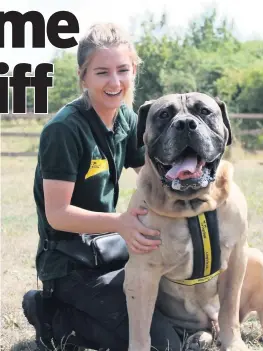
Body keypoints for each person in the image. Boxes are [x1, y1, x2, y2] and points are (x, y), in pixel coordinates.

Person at [22, 23, 184, 351]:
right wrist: (121, 223)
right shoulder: (64, 131)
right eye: (102, 72)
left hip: (109, 249)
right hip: (69, 262)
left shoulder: (127, 120)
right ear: (83, 77)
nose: (115, 82)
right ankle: (51, 314)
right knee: (163, 344)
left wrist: (190, 185)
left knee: (178, 319)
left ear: (134, 70)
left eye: (123, 70)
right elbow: (58, 215)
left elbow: (151, 177)